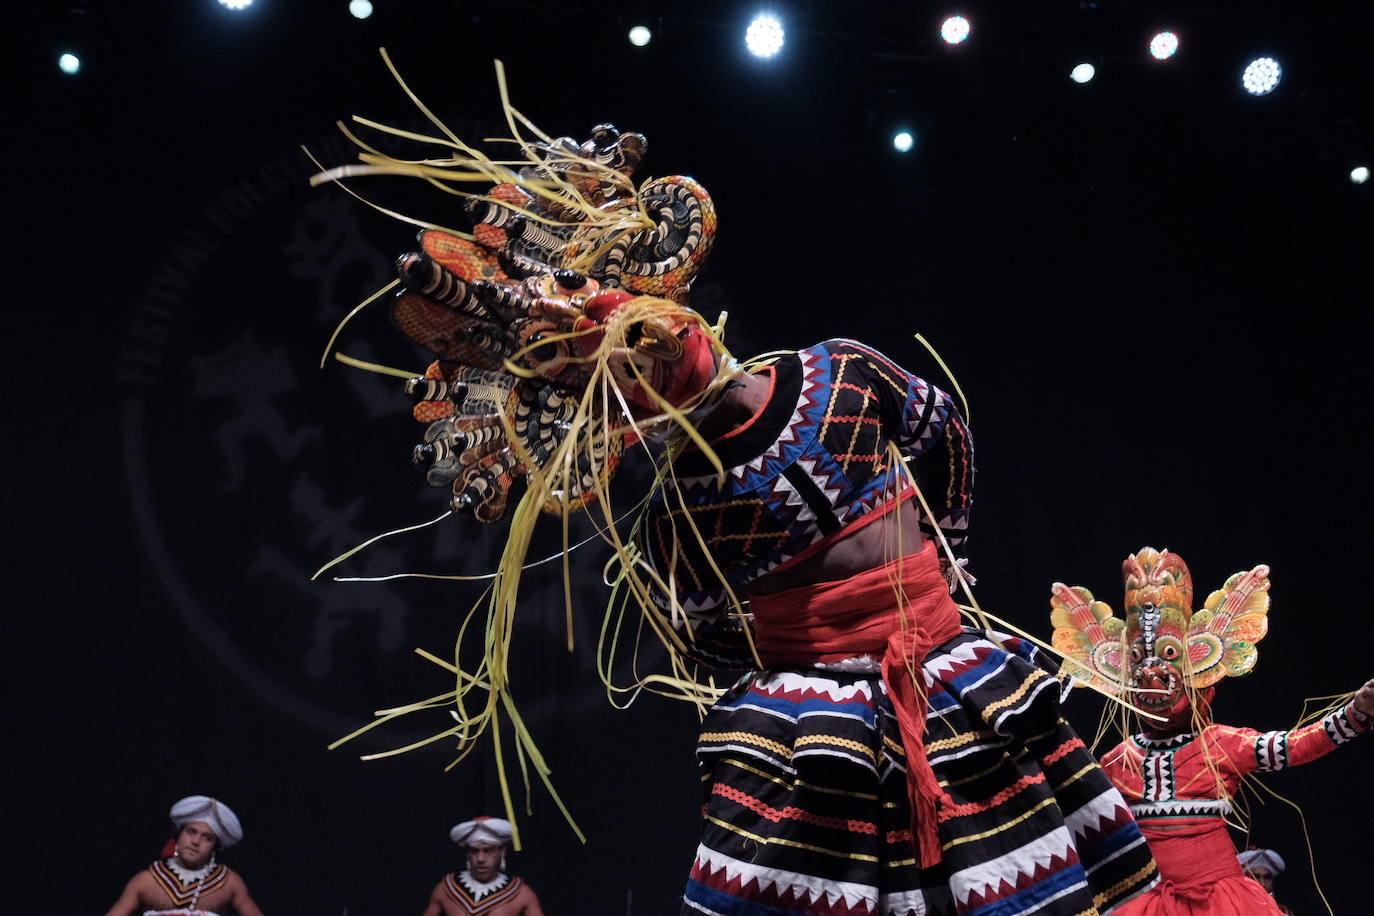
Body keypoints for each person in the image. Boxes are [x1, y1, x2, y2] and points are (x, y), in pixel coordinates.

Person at [316, 102, 1158, 915]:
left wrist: (945, 564)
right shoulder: (677, 506)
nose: (649, 357)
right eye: (622, 367)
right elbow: (707, 631)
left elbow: (945, 433)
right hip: (819, 724)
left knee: (1005, 879)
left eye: (644, 334)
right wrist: (811, 654)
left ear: (678, 302)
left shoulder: (843, 373)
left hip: (942, 666)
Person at [1049, 547, 1373, 916]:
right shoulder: (1118, 760)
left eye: (1168, 661)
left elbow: (1294, 746)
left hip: (1224, 903)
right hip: (1146, 903)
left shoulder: (1220, 743)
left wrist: (1355, 713)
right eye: (1140, 669)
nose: (1152, 681)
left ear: (1197, 678)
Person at [102, 795, 263, 916]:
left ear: (215, 846)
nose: (195, 841)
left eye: (207, 838)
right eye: (191, 832)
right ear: (178, 835)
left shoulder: (228, 883)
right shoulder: (146, 881)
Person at [422, 817, 544, 916]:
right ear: (468, 854)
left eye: (488, 851)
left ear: (502, 852)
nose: (480, 859)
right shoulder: (445, 889)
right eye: (475, 851)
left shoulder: (522, 893)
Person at [1237, 849, 1295, 915]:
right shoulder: (1235, 908)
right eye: (1256, 877)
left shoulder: (1283, 911)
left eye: (1267, 878)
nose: (1262, 884)